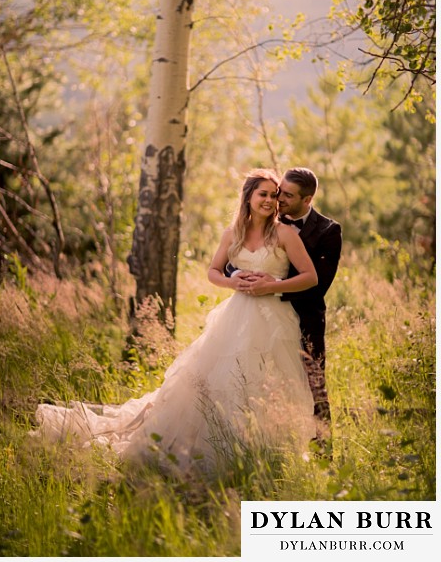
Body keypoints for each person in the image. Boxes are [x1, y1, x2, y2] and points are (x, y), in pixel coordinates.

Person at [35, 169, 319, 473]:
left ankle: (261, 454)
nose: (269, 200)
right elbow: (213, 271)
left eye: (273, 195)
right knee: (217, 383)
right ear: (248, 197)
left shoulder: (285, 234)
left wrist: (271, 285)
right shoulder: (232, 233)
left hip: (272, 319)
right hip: (236, 315)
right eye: (262, 193)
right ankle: (215, 448)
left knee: (263, 383)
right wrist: (232, 281)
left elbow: (310, 277)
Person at [229, 168, 341, 421]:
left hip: (305, 318)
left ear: (307, 200)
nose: (279, 200)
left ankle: (322, 451)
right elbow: (239, 257)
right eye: (280, 192)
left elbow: (318, 284)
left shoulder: (328, 231)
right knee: (255, 378)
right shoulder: (266, 222)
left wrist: (273, 286)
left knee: (313, 387)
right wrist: (236, 276)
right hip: (257, 315)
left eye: (287, 196)